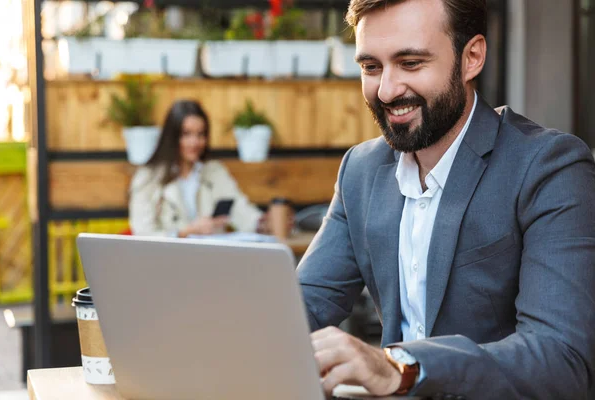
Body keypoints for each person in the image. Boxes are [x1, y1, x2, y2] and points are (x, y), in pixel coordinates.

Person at [297, 0, 595, 399]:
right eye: (371, 67)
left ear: (471, 57)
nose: (386, 90)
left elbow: (561, 360)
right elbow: (299, 312)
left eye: (411, 63)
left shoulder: (549, 167)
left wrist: (401, 367)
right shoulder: (361, 171)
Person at [129, 100, 265, 237]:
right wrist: (185, 232)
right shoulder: (148, 177)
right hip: (169, 256)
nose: (194, 142)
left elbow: (240, 209)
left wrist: (262, 223)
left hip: (212, 255)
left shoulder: (214, 171)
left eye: (200, 134)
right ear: (172, 137)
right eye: (186, 134)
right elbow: (142, 233)